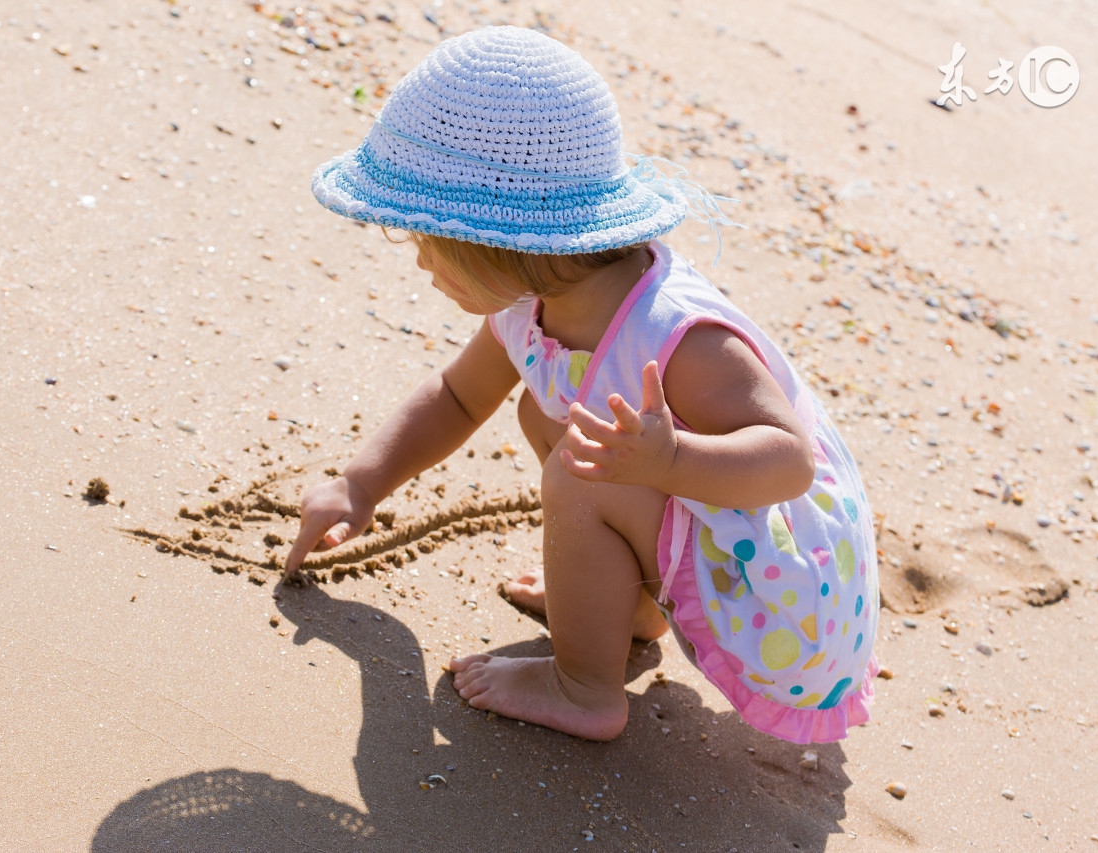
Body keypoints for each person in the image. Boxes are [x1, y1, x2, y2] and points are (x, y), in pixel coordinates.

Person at [288, 26, 878, 744]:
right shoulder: (532, 307)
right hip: (722, 545)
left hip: (786, 605)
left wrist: (670, 462)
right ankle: (624, 609)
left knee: (581, 465)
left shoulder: (674, 334)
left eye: (429, 241)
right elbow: (456, 396)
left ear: (501, 241)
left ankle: (585, 687)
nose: (420, 263)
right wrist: (360, 485)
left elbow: (789, 461)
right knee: (548, 416)